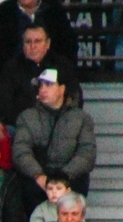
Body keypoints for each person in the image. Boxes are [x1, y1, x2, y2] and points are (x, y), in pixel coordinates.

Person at [13, 67, 96, 200]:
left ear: (62, 89)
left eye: (49, 85)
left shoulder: (81, 118)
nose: (43, 89)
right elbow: (21, 151)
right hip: (39, 180)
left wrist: (63, 179)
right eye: (41, 85)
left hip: (70, 179)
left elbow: (87, 154)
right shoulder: (27, 117)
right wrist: (38, 175)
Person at [0, 0, 77, 73]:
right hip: (12, 76)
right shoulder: (3, 11)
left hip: (51, 72)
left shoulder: (54, 9)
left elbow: (68, 45)